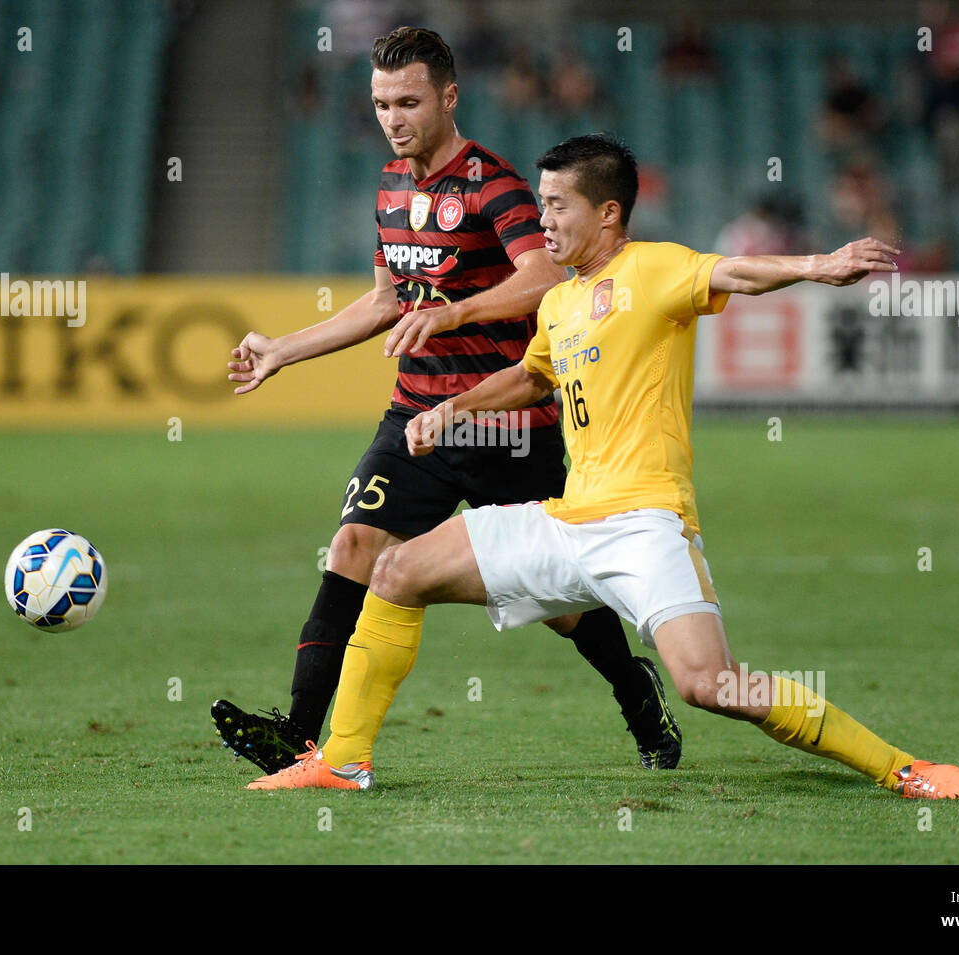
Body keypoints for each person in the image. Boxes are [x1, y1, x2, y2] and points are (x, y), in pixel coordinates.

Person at [247, 133, 959, 801]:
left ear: (608, 213)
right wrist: (454, 408)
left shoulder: (655, 268)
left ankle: (902, 768)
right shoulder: (559, 302)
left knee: (710, 683)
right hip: (566, 520)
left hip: (645, 525)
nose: (544, 221)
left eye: (557, 206)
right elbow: (533, 378)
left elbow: (738, 272)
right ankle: (342, 759)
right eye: (540, 203)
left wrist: (820, 265)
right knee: (395, 571)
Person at [214, 31, 683, 777]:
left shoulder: (493, 183)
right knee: (353, 549)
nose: (392, 118)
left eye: (408, 101)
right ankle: (299, 737)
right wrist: (283, 351)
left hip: (504, 421)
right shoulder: (389, 186)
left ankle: (636, 690)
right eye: (379, 104)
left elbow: (541, 278)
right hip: (414, 418)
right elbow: (383, 304)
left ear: (449, 97)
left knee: (562, 604)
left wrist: (456, 313)